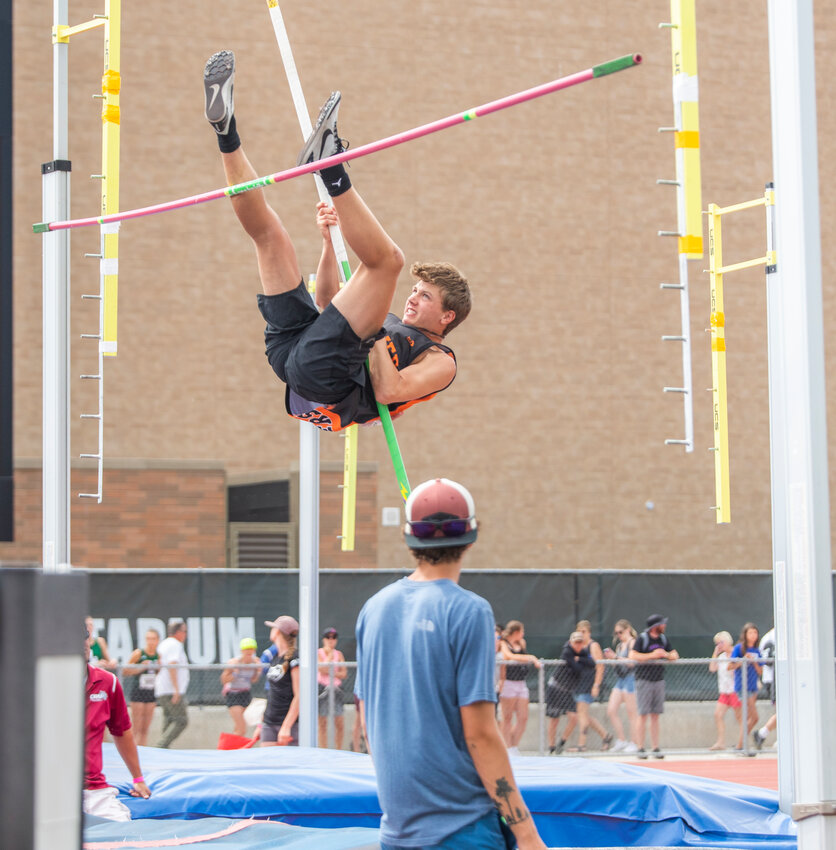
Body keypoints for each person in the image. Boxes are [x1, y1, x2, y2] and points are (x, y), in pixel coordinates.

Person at [203, 51, 472, 433]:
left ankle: (331, 167)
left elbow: (387, 388)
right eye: (416, 290)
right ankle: (226, 133)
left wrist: (376, 330)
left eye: (425, 296)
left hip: (323, 380)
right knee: (270, 238)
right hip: (296, 352)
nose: (411, 297)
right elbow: (327, 301)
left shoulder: (441, 360)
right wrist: (328, 246)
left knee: (387, 262)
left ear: (448, 317)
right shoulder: (387, 318)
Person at [355, 477, 547, 849]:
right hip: (460, 829)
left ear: (409, 538)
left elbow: (368, 721)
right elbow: (480, 734)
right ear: (471, 536)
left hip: (397, 830)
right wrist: (526, 833)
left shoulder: (373, 609)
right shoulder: (469, 611)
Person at [84, 624, 151, 820]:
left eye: (85, 637)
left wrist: (138, 778)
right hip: (48, 788)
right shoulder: (39, 681)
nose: (82, 644)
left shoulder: (107, 682)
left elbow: (122, 732)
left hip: (92, 790)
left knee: (122, 827)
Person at [629, 613, 679, 759]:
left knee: (655, 715)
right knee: (643, 714)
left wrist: (665, 655)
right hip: (644, 680)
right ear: (655, 626)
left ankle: (655, 747)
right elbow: (633, 656)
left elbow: (674, 655)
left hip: (658, 679)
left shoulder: (663, 639)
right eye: (662, 624)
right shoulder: (643, 639)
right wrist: (652, 655)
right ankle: (640, 747)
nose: (664, 626)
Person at [497, 620, 541, 756]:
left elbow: (519, 656)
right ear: (515, 632)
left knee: (523, 717)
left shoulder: (522, 643)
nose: (523, 634)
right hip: (509, 682)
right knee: (507, 717)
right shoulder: (504, 643)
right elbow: (509, 656)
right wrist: (531, 658)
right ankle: (508, 747)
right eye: (521, 631)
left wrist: (525, 658)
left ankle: (514, 745)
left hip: (521, 683)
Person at [545, 631, 588, 754]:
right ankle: (551, 747)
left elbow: (591, 663)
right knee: (554, 719)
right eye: (576, 642)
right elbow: (577, 668)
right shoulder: (567, 652)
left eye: (580, 642)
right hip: (557, 688)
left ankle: (561, 743)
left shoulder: (582, 653)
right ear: (571, 642)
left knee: (574, 717)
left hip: (568, 691)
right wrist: (579, 662)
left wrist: (579, 659)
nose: (578, 645)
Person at [261, 615, 300, 746]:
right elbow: (272, 692)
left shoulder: (294, 658)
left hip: (288, 725)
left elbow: (299, 696)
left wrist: (286, 726)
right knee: (266, 764)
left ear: (277, 631)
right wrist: (261, 725)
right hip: (270, 722)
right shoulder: (276, 658)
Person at [573, 620, 612, 751]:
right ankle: (605, 735)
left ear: (589, 632)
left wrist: (596, 685)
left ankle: (581, 744)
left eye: (583, 632)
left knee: (582, 713)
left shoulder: (593, 646)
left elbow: (600, 666)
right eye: (579, 632)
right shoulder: (578, 647)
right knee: (582, 714)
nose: (581, 635)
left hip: (589, 684)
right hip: (579, 683)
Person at [603, 619, 639, 753]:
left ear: (627, 629)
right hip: (620, 679)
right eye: (616, 633)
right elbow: (618, 664)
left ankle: (635, 742)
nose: (618, 635)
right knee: (611, 710)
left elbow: (632, 662)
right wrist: (611, 659)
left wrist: (616, 658)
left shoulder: (632, 643)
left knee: (632, 713)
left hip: (630, 679)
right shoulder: (619, 646)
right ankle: (621, 739)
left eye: (621, 632)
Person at [154, 619, 190, 749]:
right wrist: (176, 689)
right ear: (178, 632)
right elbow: (172, 665)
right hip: (170, 689)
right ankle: (161, 746)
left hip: (163, 689)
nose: (185, 635)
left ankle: (162, 750)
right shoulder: (174, 644)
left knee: (169, 719)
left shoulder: (165, 644)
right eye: (184, 631)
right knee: (181, 720)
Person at [122, 628, 160, 746]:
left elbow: (159, 672)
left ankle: (143, 751)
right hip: (138, 691)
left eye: (153, 639)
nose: (150, 642)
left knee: (145, 729)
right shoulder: (139, 653)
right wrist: (140, 668)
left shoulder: (158, 656)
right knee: (136, 727)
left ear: (158, 640)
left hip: (151, 691)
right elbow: (125, 671)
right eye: (148, 639)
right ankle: (134, 751)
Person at [728, 622, 762, 749]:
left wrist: (753, 662)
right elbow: (729, 666)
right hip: (742, 686)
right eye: (750, 633)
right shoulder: (738, 648)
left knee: (751, 718)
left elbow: (760, 671)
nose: (753, 635)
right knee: (753, 716)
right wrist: (743, 660)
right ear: (745, 634)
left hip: (753, 686)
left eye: (755, 633)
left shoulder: (757, 651)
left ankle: (741, 744)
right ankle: (742, 745)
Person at [221, 638, 261, 737]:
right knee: (241, 728)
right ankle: (233, 750)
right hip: (233, 694)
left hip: (246, 693)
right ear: (242, 650)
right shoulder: (234, 662)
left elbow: (253, 680)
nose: (249, 651)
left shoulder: (255, 662)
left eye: (251, 649)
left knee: (239, 728)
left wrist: (258, 671)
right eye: (246, 649)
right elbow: (224, 679)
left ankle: (231, 748)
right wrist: (235, 673)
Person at [708, 630, 741, 750]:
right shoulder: (721, 657)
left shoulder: (735, 653)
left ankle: (742, 742)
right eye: (717, 643)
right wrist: (715, 653)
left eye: (721, 642)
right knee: (718, 715)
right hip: (724, 691)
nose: (719, 645)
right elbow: (712, 668)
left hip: (734, 691)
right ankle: (720, 742)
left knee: (739, 717)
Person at [317, 627, 348, 749]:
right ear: (324, 639)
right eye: (328, 637)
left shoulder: (339, 654)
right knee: (322, 722)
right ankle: (323, 749)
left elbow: (344, 673)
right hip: (322, 688)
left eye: (334, 638)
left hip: (336, 688)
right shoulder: (318, 653)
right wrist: (329, 657)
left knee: (339, 722)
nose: (331, 640)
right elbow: (321, 669)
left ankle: (338, 749)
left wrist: (329, 672)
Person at [754, 626, 777, 749]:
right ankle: (762, 733)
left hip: (774, 678)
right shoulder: (772, 636)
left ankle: (762, 734)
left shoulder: (768, 636)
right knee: (783, 710)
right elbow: (766, 660)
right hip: (773, 679)